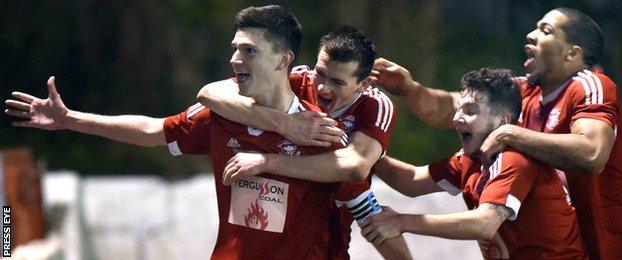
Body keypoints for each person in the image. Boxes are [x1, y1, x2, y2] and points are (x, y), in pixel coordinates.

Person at [4, 5, 348, 259]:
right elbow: (154, 130)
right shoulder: (224, 115)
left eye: (249, 51)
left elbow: (360, 206)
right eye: (234, 49)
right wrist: (70, 120)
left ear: (282, 59)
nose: (235, 59)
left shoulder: (319, 132)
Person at [371, 7, 622, 259]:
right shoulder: (516, 98)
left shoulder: (590, 85)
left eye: (545, 31)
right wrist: (410, 90)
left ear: (572, 53)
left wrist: (510, 134)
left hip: (605, 241)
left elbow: (592, 154)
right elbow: (452, 108)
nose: (531, 35)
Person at [198, 26, 411, 259]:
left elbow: (355, 167)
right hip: (271, 213)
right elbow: (210, 93)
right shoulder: (297, 81)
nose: (322, 87)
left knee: (370, 214)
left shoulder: (374, 105)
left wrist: (267, 162)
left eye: (337, 82)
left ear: (364, 84)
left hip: (332, 219)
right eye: (320, 72)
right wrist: (284, 124)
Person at [362, 68, 587, 259]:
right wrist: (366, 149)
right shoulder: (470, 159)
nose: (456, 118)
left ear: (503, 121)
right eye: (459, 108)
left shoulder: (515, 158)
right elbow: (410, 182)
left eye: (470, 111)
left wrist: (401, 222)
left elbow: (484, 224)